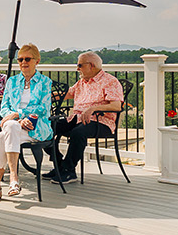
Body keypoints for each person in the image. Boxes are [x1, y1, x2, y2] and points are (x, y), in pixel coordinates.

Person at [0, 43, 53, 203]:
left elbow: (43, 107)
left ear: (37, 60)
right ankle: (12, 179)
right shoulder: (12, 81)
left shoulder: (45, 82)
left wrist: (19, 114)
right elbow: (4, 107)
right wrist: (16, 119)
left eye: (27, 59)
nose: (23, 62)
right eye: (20, 59)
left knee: (3, 136)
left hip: (36, 127)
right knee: (10, 127)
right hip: (15, 126)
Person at [45, 51, 125, 182]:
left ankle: (69, 170)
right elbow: (65, 94)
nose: (77, 68)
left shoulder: (110, 81)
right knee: (45, 128)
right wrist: (42, 96)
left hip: (101, 121)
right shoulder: (82, 82)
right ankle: (60, 164)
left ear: (91, 65)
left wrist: (93, 108)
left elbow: (116, 106)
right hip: (76, 119)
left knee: (78, 133)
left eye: (80, 65)